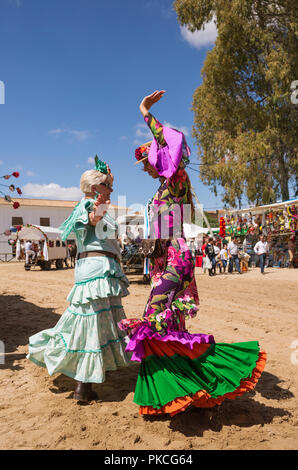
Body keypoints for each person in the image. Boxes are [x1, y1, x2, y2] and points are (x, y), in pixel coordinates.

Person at [118, 90, 266, 417]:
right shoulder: (161, 190)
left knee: (152, 321)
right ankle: (191, 390)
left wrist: (145, 110)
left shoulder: (176, 181)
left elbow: (171, 142)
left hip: (176, 260)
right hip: (164, 261)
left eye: (145, 163)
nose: (143, 169)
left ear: (159, 160)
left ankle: (196, 382)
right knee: (171, 327)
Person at [27, 157, 131, 402]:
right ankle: (82, 385)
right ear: (95, 189)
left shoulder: (98, 205)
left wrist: (107, 188)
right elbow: (93, 218)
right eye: (108, 185)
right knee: (90, 324)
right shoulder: (86, 206)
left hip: (104, 269)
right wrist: (102, 198)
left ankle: (90, 378)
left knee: (101, 322)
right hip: (94, 271)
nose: (112, 190)